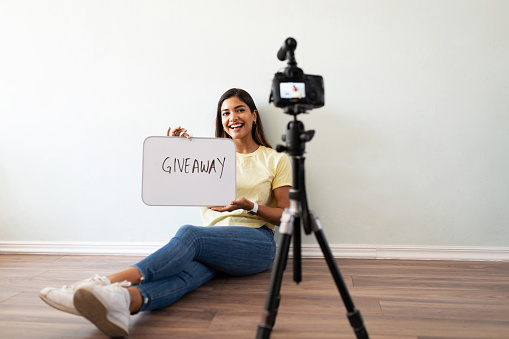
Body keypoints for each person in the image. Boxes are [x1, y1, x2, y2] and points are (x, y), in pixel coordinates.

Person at [39, 88, 292, 337]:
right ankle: (126, 302)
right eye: (225, 113)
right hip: (214, 241)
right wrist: (176, 149)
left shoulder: (275, 159)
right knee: (187, 274)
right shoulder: (210, 156)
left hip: (256, 243)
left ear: (254, 115)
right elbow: (174, 184)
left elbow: (286, 215)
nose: (233, 118)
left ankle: (102, 283)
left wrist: (250, 207)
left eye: (240, 110)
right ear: (221, 120)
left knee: (189, 234)